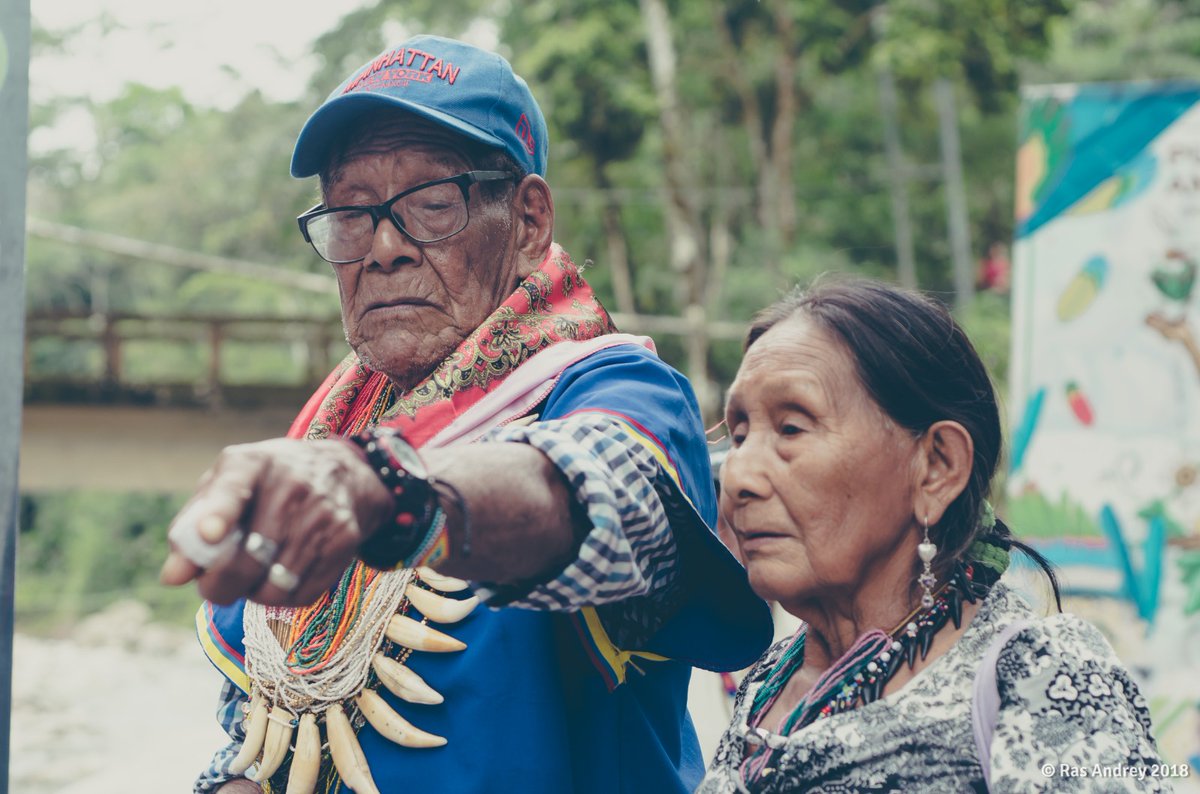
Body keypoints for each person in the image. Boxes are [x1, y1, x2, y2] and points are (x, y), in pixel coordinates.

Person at [160, 34, 772, 794]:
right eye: (351, 213)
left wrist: (389, 493)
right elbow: (256, 738)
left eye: (431, 204)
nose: (383, 247)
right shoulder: (328, 433)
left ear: (528, 222)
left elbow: (612, 495)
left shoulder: (616, 390)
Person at [698, 279, 1169, 792]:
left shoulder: (1042, 679)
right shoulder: (770, 679)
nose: (737, 475)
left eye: (791, 428)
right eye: (739, 435)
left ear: (937, 468)